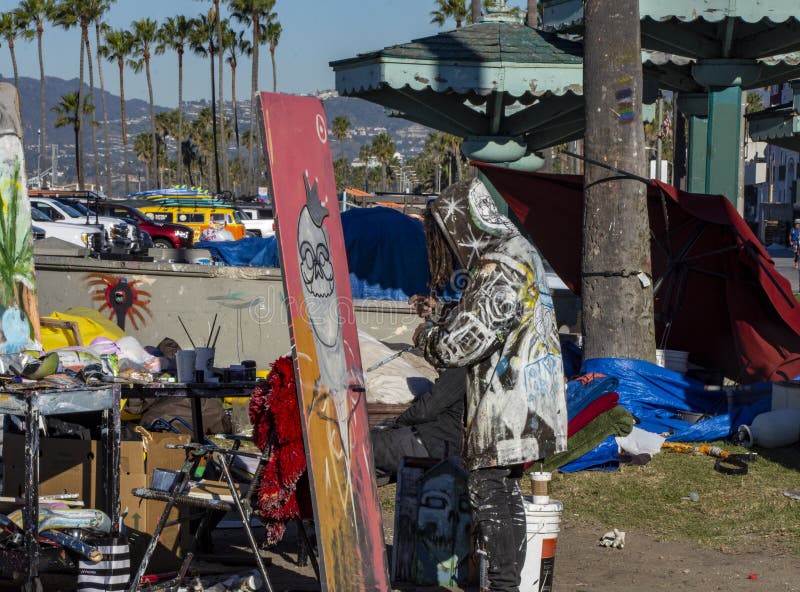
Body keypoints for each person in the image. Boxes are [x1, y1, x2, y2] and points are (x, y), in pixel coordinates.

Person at [411, 178, 567, 592]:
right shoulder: (519, 250)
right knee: (505, 491)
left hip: (507, 402)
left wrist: (428, 338)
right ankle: (506, 583)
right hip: (532, 394)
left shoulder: (497, 264)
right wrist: (446, 311)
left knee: (490, 491)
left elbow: (462, 344)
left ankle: (502, 585)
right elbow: (494, 317)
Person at [370, 367, 466, 480]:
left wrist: (397, 423)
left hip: (429, 444)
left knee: (361, 446)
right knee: (369, 470)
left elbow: (425, 411)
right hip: (447, 457)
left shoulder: (462, 369)